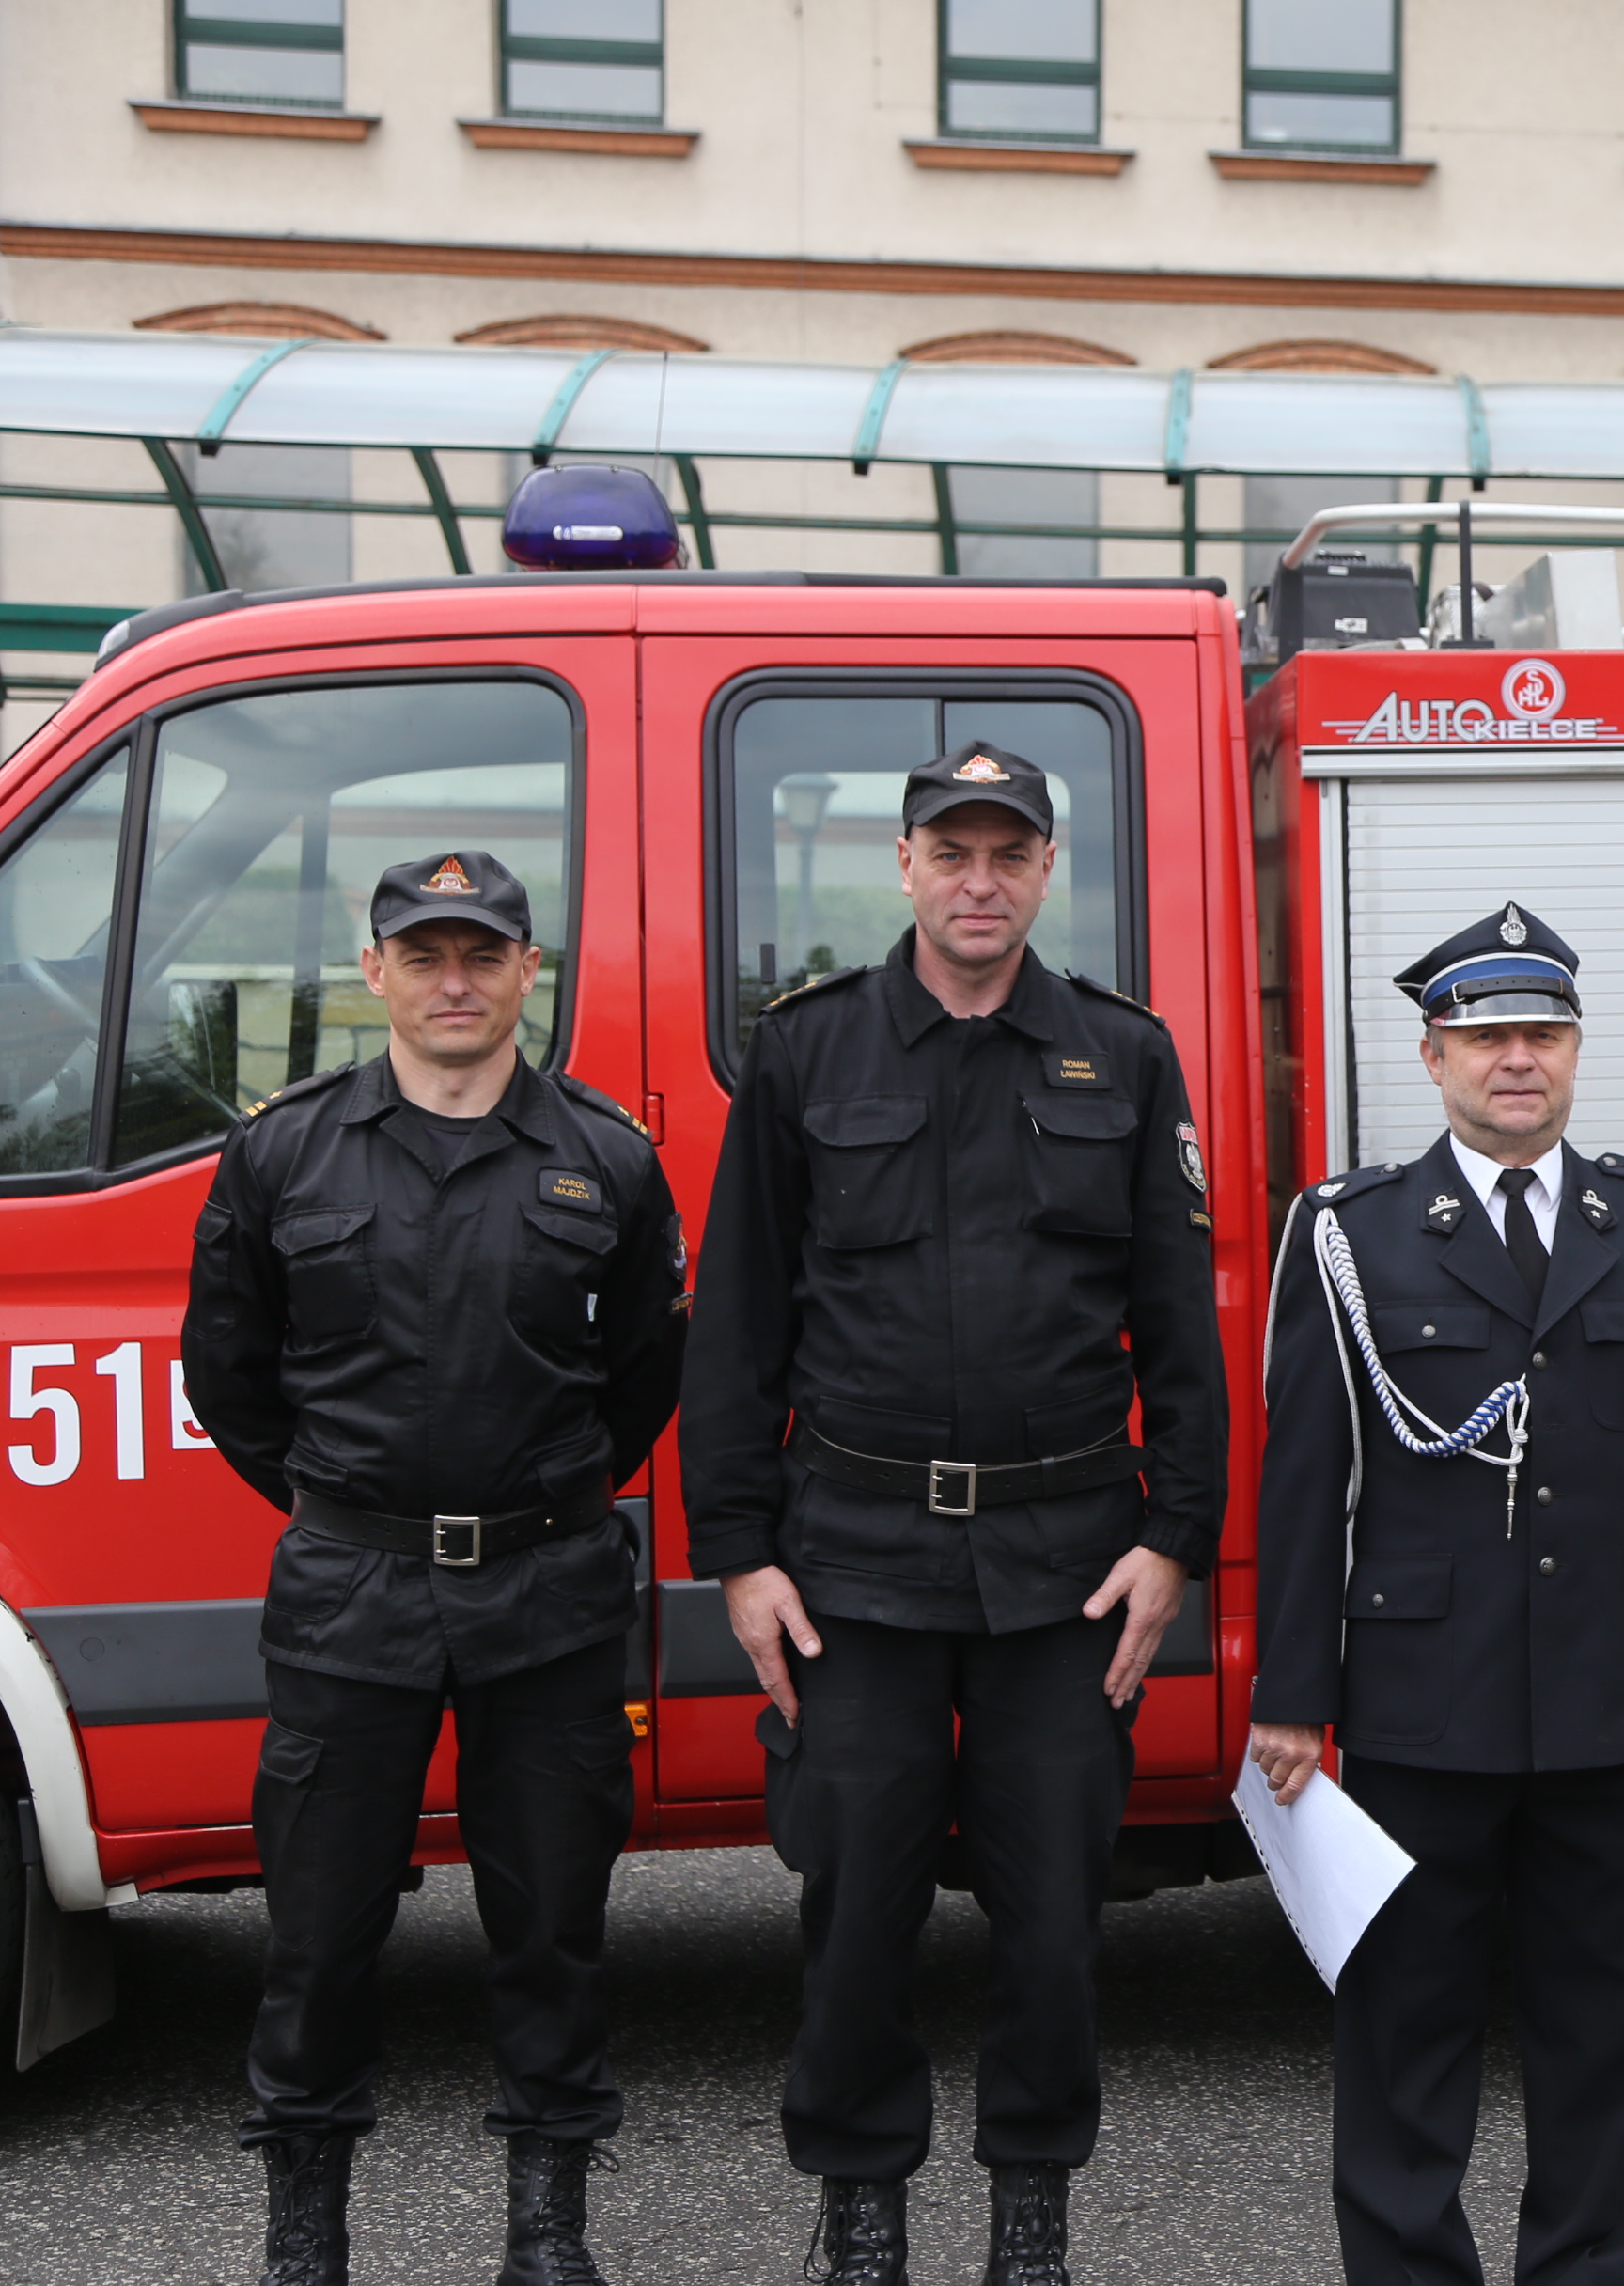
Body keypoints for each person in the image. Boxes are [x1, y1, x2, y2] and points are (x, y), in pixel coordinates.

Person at [680, 741, 1228, 2286]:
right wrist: (740, 1559)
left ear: (1048, 870)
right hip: (854, 1559)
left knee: (1054, 1912)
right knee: (857, 1902)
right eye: (951, 852)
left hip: (1067, 1562)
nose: (979, 881)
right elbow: (735, 1326)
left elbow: (1179, 1321)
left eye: (1010, 853)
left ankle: (1031, 2209)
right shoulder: (808, 1054)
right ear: (907, 868)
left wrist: (1173, 1539)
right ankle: (861, 2206)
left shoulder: (1123, 1058)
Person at [183, 849, 685, 2286]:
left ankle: (548, 2228)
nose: (453, 981)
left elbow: (641, 1382)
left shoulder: (607, 1159)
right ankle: (306, 2234)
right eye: (425, 955)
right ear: (377, 973)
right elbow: (229, 1372)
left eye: (483, 954)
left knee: (554, 1930)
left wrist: (527, 1503)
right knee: (323, 1935)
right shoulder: (284, 1153)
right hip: (353, 1597)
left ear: (531, 971)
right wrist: (350, 1505)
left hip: (548, 1594)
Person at [1249, 900, 1624, 2286]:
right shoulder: (1351, 1235)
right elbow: (1306, 1479)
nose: (1516, 1061)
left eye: (1541, 1034)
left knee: (1598, 2028)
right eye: (1486, 1039)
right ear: (1432, 1058)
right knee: (1405, 2028)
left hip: (1605, 1697)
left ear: (1577, 1050)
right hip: (1423, 1701)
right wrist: (1290, 1695)